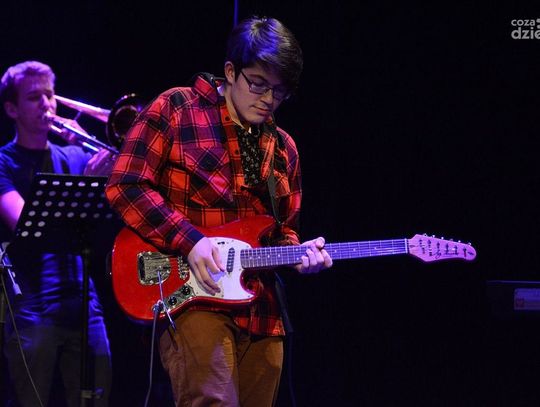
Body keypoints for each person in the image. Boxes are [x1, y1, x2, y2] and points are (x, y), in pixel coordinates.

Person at [105, 16, 332, 406]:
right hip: (193, 297)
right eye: (257, 83)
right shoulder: (177, 108)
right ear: (230, 71)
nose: (268, 99)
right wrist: (190, 240)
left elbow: (283, 231)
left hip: (261, 310)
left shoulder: (284, 148)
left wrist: (300, 255)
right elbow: (126, 185)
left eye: (279, 91)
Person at [0, 60, 114, 407]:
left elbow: (128, 173)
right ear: (12, 109)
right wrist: (87, 182)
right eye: (34, 97)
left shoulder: (76, 154)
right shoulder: (4, 162)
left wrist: (104, 154)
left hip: (84, 301)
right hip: (33, 306)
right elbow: (24, 223)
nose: (46, 104)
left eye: (50, 95)